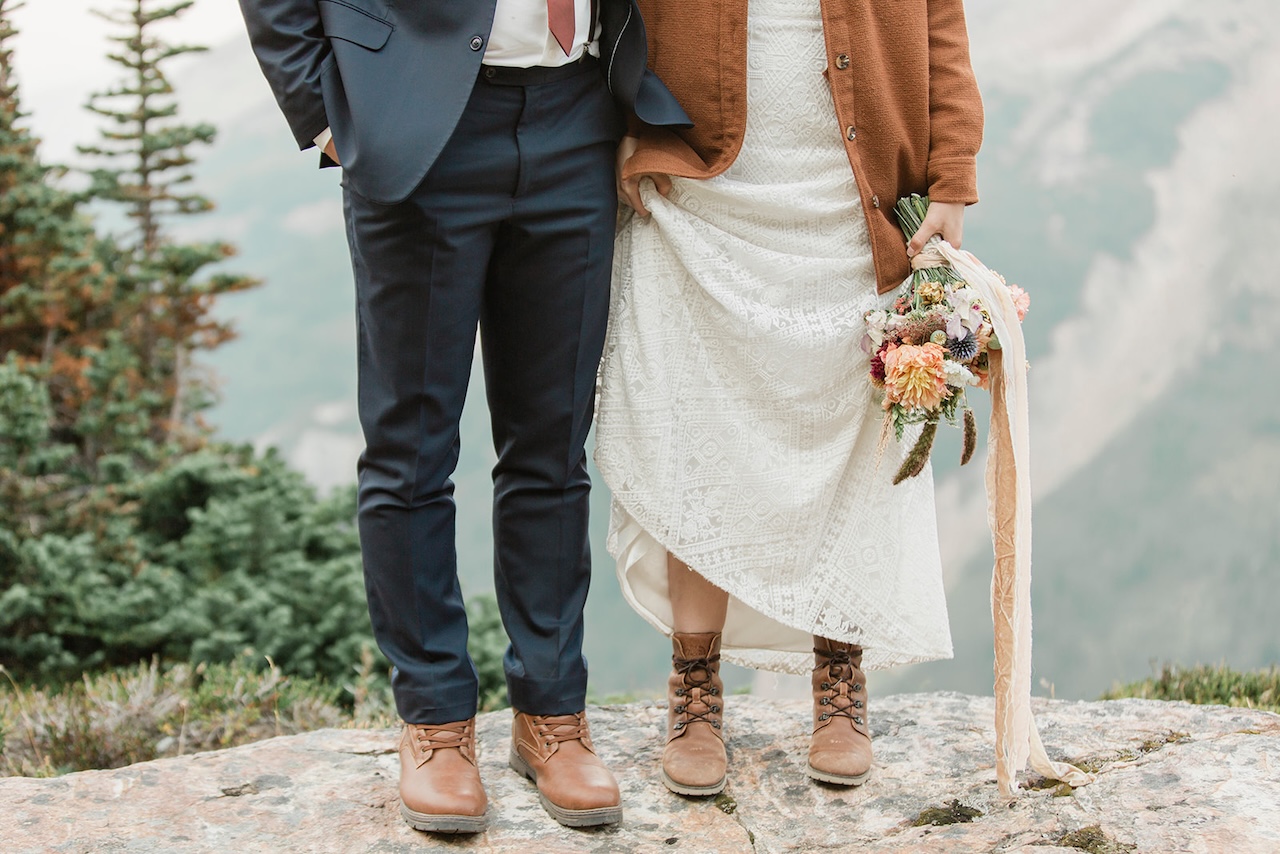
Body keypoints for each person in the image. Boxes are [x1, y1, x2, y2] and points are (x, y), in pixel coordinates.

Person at [237, 0, 690, 833]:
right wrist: (327, 116)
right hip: (419, 122)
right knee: (411, 451)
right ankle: (436, 723)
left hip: (577, 115)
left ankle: (552, 717)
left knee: (553, 450)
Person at [596, 0, 984, 795]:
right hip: (706, 185)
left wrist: (953, 173)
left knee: (845, 431)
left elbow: (939, 20)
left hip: (854, 191)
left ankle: (839, 681)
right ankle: (695, 691)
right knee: (698, 431)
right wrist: (622, 124)